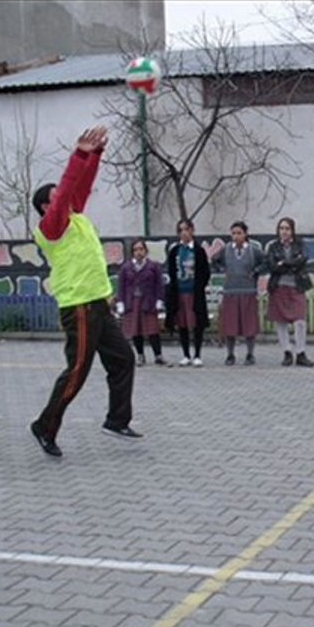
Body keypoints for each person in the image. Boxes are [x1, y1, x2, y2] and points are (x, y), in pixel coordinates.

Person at [29, 127, 141, 458]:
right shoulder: (50, 227)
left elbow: (79, 188)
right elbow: (65, 192)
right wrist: (77, 155)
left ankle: (117, 420)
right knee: (77, 371)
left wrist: (95, 155)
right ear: (46, 207)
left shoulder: (76, 218)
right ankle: (44, 426)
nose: (64, 196)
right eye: (55, 197)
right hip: (77, 306)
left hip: (97, 303)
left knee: (123, 359)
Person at [266, 217, 314, 367]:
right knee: (281, 321)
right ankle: (287, 352)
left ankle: (300, 353)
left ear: (292, 230)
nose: (284, 231)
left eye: (287, 228)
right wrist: (290, 264)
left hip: (297, 286)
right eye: (281, 228)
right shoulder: (273, 246)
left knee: (300, 321)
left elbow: (302, 260)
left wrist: (284, 263)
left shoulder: (300, 245)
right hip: (279, 286)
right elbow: (272, 266)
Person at [215, 221, 265, 366]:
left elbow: (266, 261)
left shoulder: (253, 250)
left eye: (239, 233)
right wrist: (223, 271)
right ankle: (230, 354)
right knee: (230, 325)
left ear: (245, 234)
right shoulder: (225, 250)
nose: (236, 236)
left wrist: (255, 272)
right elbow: (214, 261)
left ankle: (250, 354)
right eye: (233, 233)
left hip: (248, 291)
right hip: (230, 291)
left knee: (249, 325)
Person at [166, 218, 211, 367]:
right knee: (182, 323)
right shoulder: (175, 251)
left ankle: (197, 354)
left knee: (197, 322)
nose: (184, 233)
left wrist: (199, 286)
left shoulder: (198, 250)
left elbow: (205, 272)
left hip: (194, 292)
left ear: (192, 231)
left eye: (186, 229)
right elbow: (171, 272)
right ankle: (186, 354)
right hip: (179, 292)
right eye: (181, 230)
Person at [116, 238, 166, 367]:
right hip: (132, 302)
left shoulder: (153, 266)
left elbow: (159, 285)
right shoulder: (126, 268)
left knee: (152, 329)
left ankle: (158, 355)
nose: (138, 252)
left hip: (148, 301)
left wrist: (159, 300)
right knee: (135, 330)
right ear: (132, 252)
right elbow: (121, 286)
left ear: (146, 251)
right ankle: (140, 355)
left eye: (141, 249)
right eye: (136, 250)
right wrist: (120, 302)